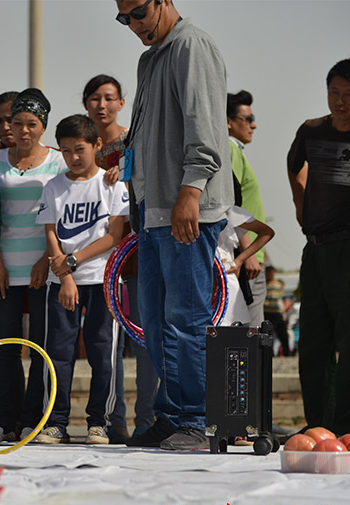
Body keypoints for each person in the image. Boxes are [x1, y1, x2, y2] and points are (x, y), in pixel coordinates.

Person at [115, 0, 234, 451]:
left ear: (165, 1)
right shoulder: (152, 58)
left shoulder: (191, 46)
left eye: (140, 12)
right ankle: (173, 413)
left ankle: (198, 420)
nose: (134, 24)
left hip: (186, 205)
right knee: (157, 318)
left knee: (186, 316)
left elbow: (204, 127)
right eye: (124, 18)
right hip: (153, 208)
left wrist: (192, 190)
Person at [33, 114, 129, 445]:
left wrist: (72, 262)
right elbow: (50, 232)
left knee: (104, 353)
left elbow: (114, 235)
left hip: (102, 281)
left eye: (80, 149)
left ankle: (98, 422)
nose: (74, 157)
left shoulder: (113, 185)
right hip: (62, 284)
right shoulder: (54, 187)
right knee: (58, 353)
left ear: (97, 145)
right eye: (66, 151)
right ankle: (56, 422)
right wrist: (65, 276)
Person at [0, 88, 67, 444]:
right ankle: (5, 419)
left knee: (40, 348)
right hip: (4, 268)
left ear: (42, 125)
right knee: (3, 346)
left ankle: (35, 418)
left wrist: (46, 260)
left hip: (43, 269)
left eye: (31, 123)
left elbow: (64, 218)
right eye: (16, 122)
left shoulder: (60, 162)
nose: (23, 130)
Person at [287, 57, 350, 436]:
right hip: (315, 248)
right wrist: (301, 203)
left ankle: (349, 428)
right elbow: (294, 164)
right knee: (313, 342)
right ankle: (317, 426)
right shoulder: (312, 130)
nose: (340, 101)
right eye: (334, 92)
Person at [83, 74, 137, 442]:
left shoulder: (132, 139)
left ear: (120, 102)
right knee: (99, 341)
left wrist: (125, 177)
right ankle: (106, 418)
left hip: (129, 254)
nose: (102, 105)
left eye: (109, 98)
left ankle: (127, 418)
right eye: (94, 98)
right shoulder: (78, 145)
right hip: (86, 260)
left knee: (117, 341)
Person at [227, 90, 268, 326]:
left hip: (250, 252)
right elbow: (229, 204)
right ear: (228, 122)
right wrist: (247, 253)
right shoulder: (231, 149)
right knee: (251, 335)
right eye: (248, 119)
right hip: (246, 255)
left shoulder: (237, 151)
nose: (254, 125)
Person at [215, 208, 274, 325]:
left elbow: (267, 232)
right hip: (202, 287)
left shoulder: (228, 211)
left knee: (231, 337)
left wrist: (239, 260)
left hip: (227, 288)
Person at [263, 266, 292, 356]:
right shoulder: (264, 284)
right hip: (268, 312)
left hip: (277, 313)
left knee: (283, 334)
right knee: (269, 334)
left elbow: (283, 296)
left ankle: (287, 353)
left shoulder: (278, 284)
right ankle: (270, 354)